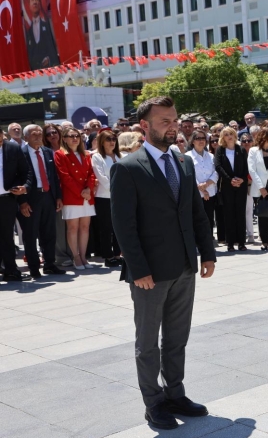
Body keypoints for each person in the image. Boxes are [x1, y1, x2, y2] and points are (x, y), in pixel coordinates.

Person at [110, 96, 216, 431]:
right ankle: (153, 403)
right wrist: (139, 269)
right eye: (165, 121)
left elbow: (196, 213)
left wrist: (207, 252)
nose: (173, 127)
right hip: (150, 274)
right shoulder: (127, 168)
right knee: (147, 344)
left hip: (184, 266)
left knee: (176, 338)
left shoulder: (183, 162)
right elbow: (123, 226)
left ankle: (175, 394)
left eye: (175, 120)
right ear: (145, 126)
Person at [18, 125, 66, 278]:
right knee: (31, 234)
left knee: (49, 233)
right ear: (26, 137)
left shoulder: (46, 151)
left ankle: (50, 264)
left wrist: (58, 197)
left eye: (40, 133)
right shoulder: (20, 153)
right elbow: (17, 178)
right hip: (31, 198)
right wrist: (22, 202)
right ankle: (34, 268)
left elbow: (54, 176)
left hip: (48, 196)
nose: (38, 136)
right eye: (34, 134)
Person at [54, 126, 96, 270]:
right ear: (64, 139)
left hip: (87, 196)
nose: (75, 139)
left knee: (85, 227)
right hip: (72, 196)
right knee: (73, 228)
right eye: (71, 136)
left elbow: (91, 173)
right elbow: (64, 176)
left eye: (77, 136)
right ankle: (76, 257)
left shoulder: (86, 154)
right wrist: (81, 192)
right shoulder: (60, 154)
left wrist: (88, 188)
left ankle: (83, 256)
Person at [1, 136, 33, 281]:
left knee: (7, 237)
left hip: (7, 199)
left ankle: (10, 270)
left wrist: (25, 187)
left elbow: (25, 171)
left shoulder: (12, 148)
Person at [90, 128, 122, 267]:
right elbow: (101, 177)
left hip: (121, 197)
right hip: (104, 197)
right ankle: (108, 256)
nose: (112, 142)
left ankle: (117, 254)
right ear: (102, 142)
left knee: (119, 227)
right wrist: (117, 190)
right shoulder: (97, 157)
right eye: (108, 139)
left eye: (114, 139)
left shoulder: (120, 156)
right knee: (106, 228)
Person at [214, 127, 248, 251]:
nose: (229, 136)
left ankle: (241, 242)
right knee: (229, 214)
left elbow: (246, 167)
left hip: (241, 185)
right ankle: (230, 243)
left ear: (235, 136)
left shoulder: (241, 149)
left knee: (240, 213)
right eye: (226, 134)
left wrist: (242, 179)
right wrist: (230, 180)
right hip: (227, 186)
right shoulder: (220, 150)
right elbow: (218, 166)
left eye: (231, 134)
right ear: (223, 137)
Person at [248, 127, 268, 251]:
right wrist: (261, 188)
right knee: (262, 215)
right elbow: (252, 170)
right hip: (259, 188)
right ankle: (264, 241)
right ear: (264, 136)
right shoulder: (253, 151)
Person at [44, 123, 72, 267]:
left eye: (54, 132)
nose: (52, 135)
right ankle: (61, 256)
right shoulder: (45, 152)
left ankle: (73, 253)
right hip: (55, 192)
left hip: (71, 190)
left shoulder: (68, 148)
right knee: (59, 225)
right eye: (48, 134)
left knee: (71, 224)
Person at [187, 130, 218, 239]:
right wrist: (201, 188)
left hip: (210, 193)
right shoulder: (187, 157)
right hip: (195, 194)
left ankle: (208, 240)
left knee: (209, 218)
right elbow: (188, 174)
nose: (201, 141)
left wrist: (206, 184)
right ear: (192, 141)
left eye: (203, 138)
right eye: (198, 138)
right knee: (196, 218)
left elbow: (216, 172)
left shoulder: (211, 156)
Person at [24, 0, 60, 70]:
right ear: (29, 5)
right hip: (35, 72)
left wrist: (48, 59)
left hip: (50, 70)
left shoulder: (47, 25)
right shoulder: (28, 31)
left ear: (40, 3)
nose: (35, 2)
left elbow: (52, 48)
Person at [240, 132, 256, 244]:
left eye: (249, 140)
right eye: (244, 141)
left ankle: (253, 234)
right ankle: (246, 233)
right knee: (245, 210)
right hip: (243, 184)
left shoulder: (256, 153)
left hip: (255, 184)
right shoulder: (238, 153)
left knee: (252, 210)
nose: (246, 143)